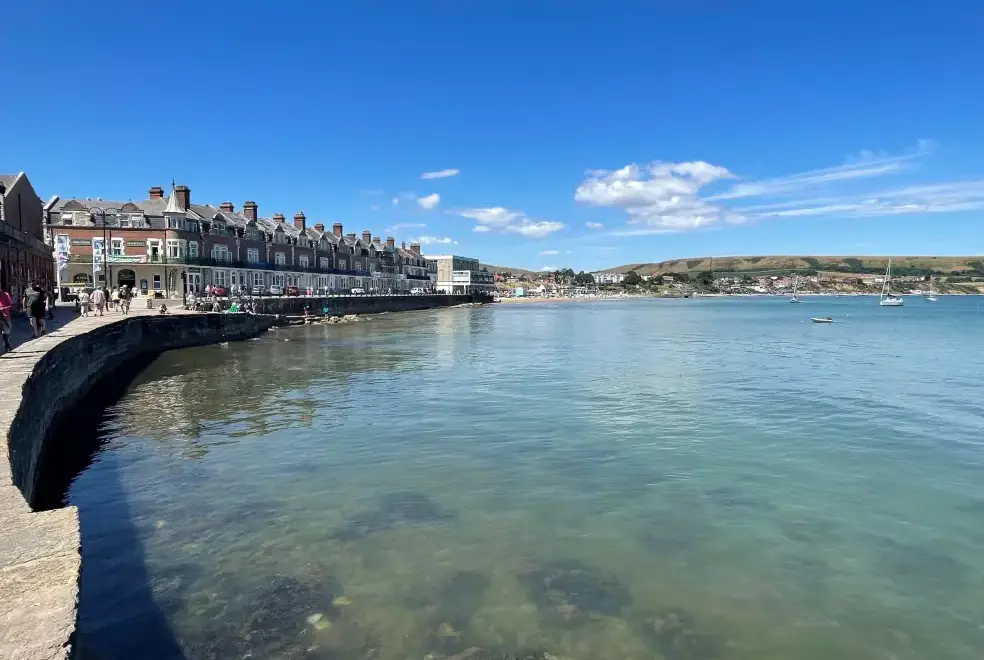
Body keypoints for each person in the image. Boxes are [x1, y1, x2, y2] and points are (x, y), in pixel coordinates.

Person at [0, 285, 13, 353]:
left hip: (5, 316)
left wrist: (3, 308)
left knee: (6, 333)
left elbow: (10, 305)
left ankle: (7, 346)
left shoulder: (6, 294)